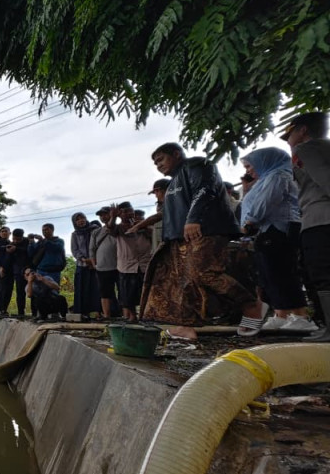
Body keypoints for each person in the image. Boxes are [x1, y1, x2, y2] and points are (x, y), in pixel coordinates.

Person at [140, 143, 265, 340]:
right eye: (155, 163)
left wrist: (194, 219)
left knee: (203, 273)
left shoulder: (198, 165)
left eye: (161, 159)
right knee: (181, 282)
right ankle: (184, 325)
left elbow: (205, 190)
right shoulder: (173, 182)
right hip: (179, 238)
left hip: (205, 230)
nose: (158, 165)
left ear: (176, 154)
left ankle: (250, 304)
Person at [238, 147, 314, 332]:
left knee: (282, 272)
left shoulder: (278, 176)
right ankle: (282, 314)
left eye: (250, 165)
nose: (248, 170)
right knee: (269, 274)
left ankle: (300, 315)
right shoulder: (265, 179)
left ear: (265, 161)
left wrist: (250, 221)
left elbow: (265, 202)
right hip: (268, 230)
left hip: (279, 229)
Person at [282, 111, 330, 341]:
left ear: (302, 131)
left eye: (289, 134)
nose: (288, 140)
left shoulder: (306, 150)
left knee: (321, 275)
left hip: (319, 220)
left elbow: (325, 179)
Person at [108, 202, 153, 322]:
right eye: (126, 211)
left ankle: (146, 315)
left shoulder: (143, 225)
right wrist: (113, 217)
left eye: (131, 210)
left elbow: (153, 233)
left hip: (145, 263)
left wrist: (142, 226)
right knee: (127, 293)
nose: (129, 213)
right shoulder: (118, 228)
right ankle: (132, 316)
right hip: (127, 265)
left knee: (146, 291)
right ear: (120, 214)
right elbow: (110, 228)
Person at [70, 212, 101, 320]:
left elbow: (98, 246)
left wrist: (93, 260)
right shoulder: (75, 234)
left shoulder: (94, 230)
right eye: (77, 219)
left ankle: (97, 313)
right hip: (82, 265)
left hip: (95, 264)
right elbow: (74, 250)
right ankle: (82, 314)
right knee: (81, 289)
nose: (81, 220)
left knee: (95, 289)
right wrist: (84, 259)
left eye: (82, 218)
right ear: (75, 222)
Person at [89, 206, 119, 319]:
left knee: (123, 291)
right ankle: (107, 316)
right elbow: (91, 250)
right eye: (101, 215)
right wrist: (94, 264)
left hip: (120, 266)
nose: (103, 217)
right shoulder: (96, 232)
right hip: (102, 267)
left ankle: (126, 315)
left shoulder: (119, 228)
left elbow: (111, 227)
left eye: (105, 214)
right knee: (104, 293)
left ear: (111, 214)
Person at [7, 229, 31, 317]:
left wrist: (17, 249)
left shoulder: (28, 242)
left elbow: (30, 252)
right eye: (14, 239)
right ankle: (21, 312)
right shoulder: (12, 243)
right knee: (20, 293)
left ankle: (35, 312)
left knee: (33, 292)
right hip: (17, 271)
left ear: (22, 237)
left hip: (28, 270)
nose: (16, 241)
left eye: (18, 239)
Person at [0, 226, 15, 315]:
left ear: (10, 233)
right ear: (0, 233)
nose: (4, 233)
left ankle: (4, 309)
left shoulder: (12, 243)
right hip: (0, 270)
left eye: (6, 231)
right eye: (2, 231)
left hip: (10, 271)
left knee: (8, 291)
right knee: (0, 290)